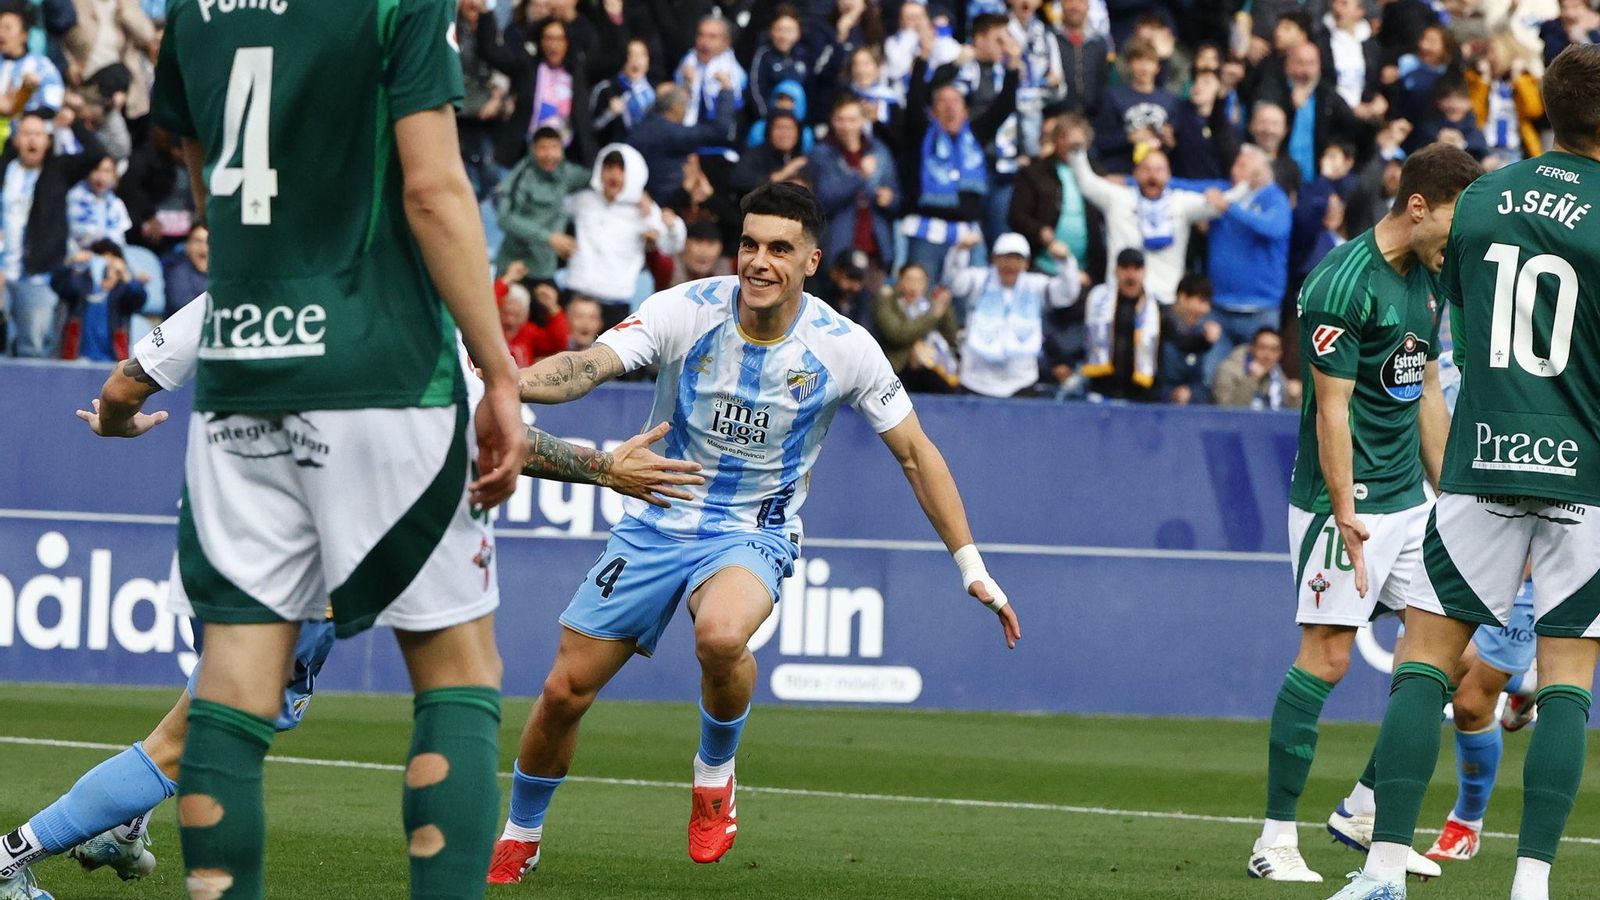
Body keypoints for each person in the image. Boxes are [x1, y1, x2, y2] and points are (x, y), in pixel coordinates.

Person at [0, 291, 704, 900]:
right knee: (195, 738)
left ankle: (124, 827)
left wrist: (118, 426)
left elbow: (125, 386)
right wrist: (607, 467)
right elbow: (503, 438)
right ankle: (14, 857)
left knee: (214, 702)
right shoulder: (405, 321)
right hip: (301, 572)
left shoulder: (237, 293)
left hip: (210, 539)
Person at [486, 182, 1021, 884]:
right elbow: (587, 367)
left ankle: (715, 775)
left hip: (752, 528)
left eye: (779, 249)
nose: (758, 261)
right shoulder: (685, 309)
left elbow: (918, 453)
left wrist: (970, 564)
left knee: (721, 635)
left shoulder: (845, 348)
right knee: (563, 693)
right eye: (749, 244)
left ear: (811, 262)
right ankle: (521, 832)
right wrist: (510, 382)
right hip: (655, 513)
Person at [140, 1, 541, 895]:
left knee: (233, 681)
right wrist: (499, 370)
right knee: (457, 668)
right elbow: (433, 189)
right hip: (379, 364)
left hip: (243, 370)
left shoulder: (195, 12)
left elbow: (206, 187)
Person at [1329, 46, 1600, 900]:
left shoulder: (1480, 199)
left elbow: (1457, 317)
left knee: (1423, 659)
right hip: (1585, 465)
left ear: (1543, 108)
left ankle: (1380, 874)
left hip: (1482, 459)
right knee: (1566, 681)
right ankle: (1531, 887)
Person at [1245, 143, 1482, 885]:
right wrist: (1345, 510)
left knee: (1457, 659)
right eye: (1455, 219)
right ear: (1418, 207)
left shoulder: (1434, 278)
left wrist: (1454, 499)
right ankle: (1274, 838)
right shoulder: (1340, 284)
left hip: (1410, 503)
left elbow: (1428, 397)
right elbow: (1331, 410)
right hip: (1338, 505)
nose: (1461, 237)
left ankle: (1367, 809)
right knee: (1328, 657)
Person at [898, 24, 1019, 285]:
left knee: (972, 299)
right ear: (933, 110)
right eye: (943, 102)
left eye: (956, 102)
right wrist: (923, 57)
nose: (950, 107)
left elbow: (1005, 104)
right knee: (920, 296)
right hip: (926, 232)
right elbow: (914, 99)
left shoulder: (975, 134)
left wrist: (1014, 61)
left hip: (969, 233)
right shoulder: (922, 133)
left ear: (965, 110)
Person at [1064, 118, 1222, 300]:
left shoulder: (1181, 202)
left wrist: (1222, 196)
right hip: (1120, 296)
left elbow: (1219, 206)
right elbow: (1086, 182)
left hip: (1165, 296)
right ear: (1136, 173)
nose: (1152, 176)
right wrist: (1076, 151)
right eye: (1146, 170)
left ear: (1169, 175)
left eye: (1158, 170)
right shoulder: (1118, 198)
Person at [1, 112, 101, 358]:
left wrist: (75, 122)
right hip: (3, 273)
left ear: (48, 140)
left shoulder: (59, 170)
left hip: (38, 276)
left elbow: (96, 153)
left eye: (37, 134)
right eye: (25, 134)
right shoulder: (5, 169)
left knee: (32, 349)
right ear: (15, 140)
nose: (31, 140)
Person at [944, 230, 1080, 397]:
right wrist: (960, 251)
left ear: (1027, 263)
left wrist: (1065, 262)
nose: (1011, 265)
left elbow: (1067, 294)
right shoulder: (978, 280)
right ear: (994, 259)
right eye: (1005, 258)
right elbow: (953, 282)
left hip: (1021, 381)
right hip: (975, 380)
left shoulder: (1035, 285)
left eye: (1017, 259)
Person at [1203, 144, 1293, 378]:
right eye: (1235, 164)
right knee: (1210, 375)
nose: (1234, 170)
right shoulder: (1225, 192)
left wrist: (1229, 208)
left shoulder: (1275, 198)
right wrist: (1128, 182)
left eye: (1242, 165)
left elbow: (1274, 228)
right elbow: (1183, 187)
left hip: (1260, 310)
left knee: (1260, 377)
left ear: (1261, 171)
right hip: (1220, 308)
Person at [564, 144, 685, 307]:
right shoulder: (584, 200)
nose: (614, 175)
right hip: (578, 294)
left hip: (616, 299)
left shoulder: (645, 210)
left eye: (621, 169)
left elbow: (672, 246)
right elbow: (552, 211)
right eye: (608, 167)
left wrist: (672, 226)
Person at [808, 95, 899, 275]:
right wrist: (859, 176)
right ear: (832, 121)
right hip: (837, 249)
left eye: (852, 120)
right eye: (840, 120)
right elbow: (823, 199)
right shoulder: (821, 154)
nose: (846, 126)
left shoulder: (879, 151)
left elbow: (897, 199)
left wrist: (890, 199)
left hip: (876, 249)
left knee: (873, 302)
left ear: (862, 121)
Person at [1009, 114, 1103, 282]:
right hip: (1043, 268)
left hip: (1085, 273)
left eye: (1078, 143)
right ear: (1056, 140)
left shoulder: (1097, 174)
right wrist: (1039, 231)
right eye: (1066, 138)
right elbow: (1016, 215)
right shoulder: (1034, 172)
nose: (1073, 147)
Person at [496, 126, 590, 280]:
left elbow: (597, 178)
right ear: (533, 150)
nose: (549, 154)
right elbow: (504, 218)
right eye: (543, 148)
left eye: (554, 147)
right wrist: (549, 237)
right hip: (514, 266)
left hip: (545, 270)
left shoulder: (568, 172)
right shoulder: (521, 175)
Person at [1081, 248, 1161, 402]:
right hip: (1100, 388)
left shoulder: (1155, 309)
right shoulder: (1097, 300)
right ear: (1116, 271)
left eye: (1136, 269)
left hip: (1139, 393)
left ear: (1144, 272)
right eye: (1125, 268)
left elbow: (1179, 335)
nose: (1130, 276)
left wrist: (1204, 340)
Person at [873, 261, 961, 392]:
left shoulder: (930, 304)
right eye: (909, 280)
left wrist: (945, 308)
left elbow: (951, 336)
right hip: (898, 368)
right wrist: (933, 316)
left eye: (919, 281)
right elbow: (898, 335)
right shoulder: (887, 302)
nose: (914, 286)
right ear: (900, 281)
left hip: (932, 368)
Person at [54, 238, 146, 362]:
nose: (105, 266)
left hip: (113, 361)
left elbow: (139, 299)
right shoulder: (81, 286)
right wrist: (71, 261)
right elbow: (57, 284)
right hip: (78, 360)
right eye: (100, 259)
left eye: (111, 261)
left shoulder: (123, 291)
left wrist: (127, 276)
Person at [1159, 273, 1220, 404]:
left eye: (1208, 303)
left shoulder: (1200, 333)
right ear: (1182, 297)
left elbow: (1202, 384)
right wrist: (1169, 394)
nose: (1206, 309)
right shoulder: (1156, 322)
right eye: (1201, 301)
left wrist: (1190, 393)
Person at [66, 153, 131, 254]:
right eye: (96, 169)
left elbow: (120, 240)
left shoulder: (116, 204)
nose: (101, 177)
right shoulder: (73, 197)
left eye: (107, 171)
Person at [1212, 326, 1292, 408]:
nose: (1268, 355)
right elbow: (1227, 412)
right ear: (1252, 348)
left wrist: (1293, 399)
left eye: (1274, 349)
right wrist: (1252, 379)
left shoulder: (1277, 374)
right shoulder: (1228, 370)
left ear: (1280, 353)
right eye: (1263, 348)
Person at [667, 219, 734, 288]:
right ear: (686, 243)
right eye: (698, 242)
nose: (704, 251)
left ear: (720, 247)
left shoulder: (730, 268)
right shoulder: (668, 266)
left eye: (711, 244)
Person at [162, 225, 207, 317]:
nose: (203, 247)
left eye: (209, 241)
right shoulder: (177, 273)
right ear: (187, 246)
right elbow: (181, 304)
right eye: (198, 241)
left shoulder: (224, 275)